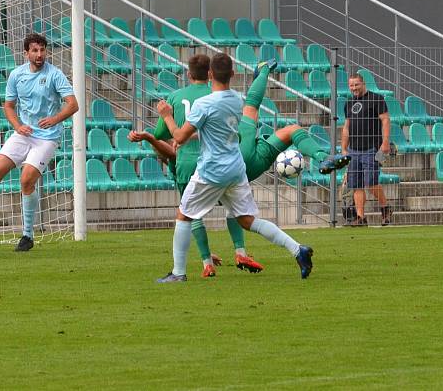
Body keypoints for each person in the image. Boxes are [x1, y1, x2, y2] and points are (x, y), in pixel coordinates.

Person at [132, 56, 348, 278]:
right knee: (247, 221)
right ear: (233, 75)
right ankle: (298, 249)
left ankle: (178, 273)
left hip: (212, 170)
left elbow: (178, 135)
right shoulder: (235, 99)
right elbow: (223, 123)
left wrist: (167, 115)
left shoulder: (204, 104)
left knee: (184, 215)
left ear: (210, 75)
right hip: (235, 169)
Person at [0, 33, 78, 252]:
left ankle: (27, 235)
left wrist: (54, 119)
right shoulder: (16, 75)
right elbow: (9, 106)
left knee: (26, 179)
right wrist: (17, 125)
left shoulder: (55, 75)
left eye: (42, 50)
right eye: (35, 51)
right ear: (26, 53)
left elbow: (73, 104)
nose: (39, 55)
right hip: (23, 134)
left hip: (46, 138)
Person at [342, 73, 392, 226]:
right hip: (354, 150)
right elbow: (346, 127)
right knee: (356, 185)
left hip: (372, 148)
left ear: (363, 83)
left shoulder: (377, 99)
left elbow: (385, 120)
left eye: (356, 85)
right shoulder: (349, 102)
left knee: (371, 183)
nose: (354, 88)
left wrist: (385, 142)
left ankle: (385, 208)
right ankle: (360, 217)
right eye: (351, 85)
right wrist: (344, 148)